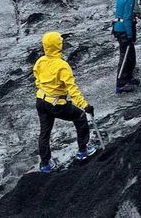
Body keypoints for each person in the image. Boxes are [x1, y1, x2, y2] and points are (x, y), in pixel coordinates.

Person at [32, 31, 96, 172]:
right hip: (56, 104)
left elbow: (37, 78)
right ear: (58, 45)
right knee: (80, 116)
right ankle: (83, 151)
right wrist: (85, 105)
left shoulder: (40, 61)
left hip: (40, 101)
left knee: (44, 132)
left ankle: (45, 164)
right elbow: (72, 89)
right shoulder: (62, 65)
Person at [111, 0, 141, 93]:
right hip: (124, 30)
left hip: (118, 27)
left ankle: (128, 78)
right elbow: (127, 18)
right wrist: (130, 35)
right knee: (125, 56)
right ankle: (120, 83)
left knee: (130, 55)